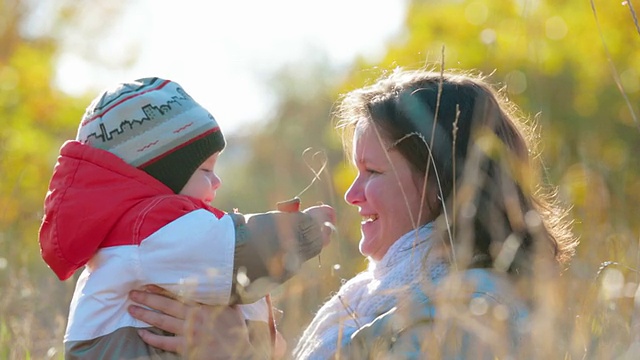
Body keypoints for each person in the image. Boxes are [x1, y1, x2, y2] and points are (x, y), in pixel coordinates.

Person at [126, 68, 577, 358]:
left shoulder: (471, 312)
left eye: (373, 171)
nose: (352, 194)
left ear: (442, 183)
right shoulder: (380, 296)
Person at [38, 77, 335, 359]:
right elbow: (234, 254)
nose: (217, 182)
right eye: (206, 170)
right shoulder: (151, 225)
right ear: (162, 176)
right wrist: (303, 231)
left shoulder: (144, 240)